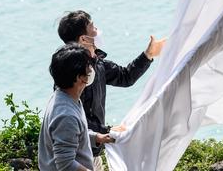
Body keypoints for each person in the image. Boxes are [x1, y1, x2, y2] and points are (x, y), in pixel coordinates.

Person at [57, 10, 166, 170]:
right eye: (93, 27)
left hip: (94, 149)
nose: (97, 30)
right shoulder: (72, 74)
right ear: (83, 39)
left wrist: (148, 55)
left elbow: (125, 76)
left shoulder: (98, 63)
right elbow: (73, 117)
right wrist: (106, 131)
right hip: (77, 153)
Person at [38, 43, 96, 171]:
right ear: (79, 78)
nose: (91, 70)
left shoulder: (63, 96)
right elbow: (66, 164)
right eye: (88, 67)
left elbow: (71, 134)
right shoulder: (66, 115)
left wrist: (96, 137)